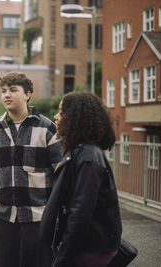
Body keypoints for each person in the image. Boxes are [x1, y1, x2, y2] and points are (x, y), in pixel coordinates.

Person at [0, 72, 62, 267]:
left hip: (37, 220)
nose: (6, 95)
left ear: (27, 94)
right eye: (3, 91)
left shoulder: (47, 128)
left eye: (13, 90)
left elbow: (61, 173)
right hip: (2, 221)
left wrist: (53, 211)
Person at [40, 92, 122, 267]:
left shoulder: (88, 158)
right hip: (84, 247)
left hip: (90, 249)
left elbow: (80, 213)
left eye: (61, 112)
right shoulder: (79, 152)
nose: (56, 116)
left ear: (76, 119)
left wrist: (62, 258)